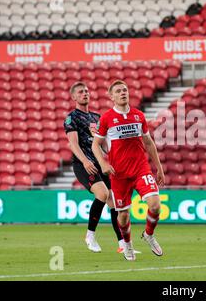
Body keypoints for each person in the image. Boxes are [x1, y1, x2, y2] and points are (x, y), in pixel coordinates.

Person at [92, 80, 165, 261]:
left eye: (125, 90)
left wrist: (159, 168)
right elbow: (96, 145)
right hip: (119, 175)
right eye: (118, 91)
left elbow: (148, 142)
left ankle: (148, 234)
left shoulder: (138, 115)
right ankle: (128, 244)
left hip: (141, 169)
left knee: (155, 205)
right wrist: (103, 164)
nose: (123, 93)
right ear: (112, 97)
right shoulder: (107, 118)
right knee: (123, 216)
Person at [64, 81, 133, 254]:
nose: (85, 94)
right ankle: (90, 235)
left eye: (86, 91)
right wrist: (86, 162)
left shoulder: (96, 118)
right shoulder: (72, 117)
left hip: (99, 164)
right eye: (80, 92)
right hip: (83, 164)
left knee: (115, 202)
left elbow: (102, 144)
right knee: (103, 194)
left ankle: (123, 244)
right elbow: (73, 144)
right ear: (73, 97)